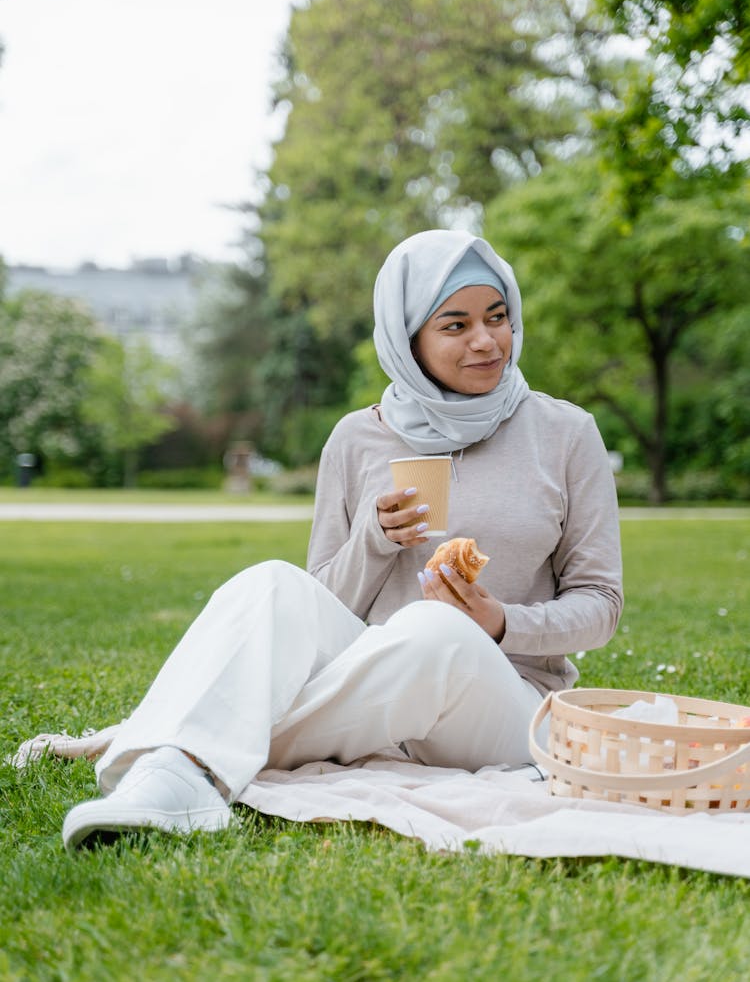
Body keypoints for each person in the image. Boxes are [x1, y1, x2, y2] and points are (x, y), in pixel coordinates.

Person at [62, 228, 623, 851]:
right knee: (270, 581)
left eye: (497, 317)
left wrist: (499, 623)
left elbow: (601, 604)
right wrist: (372, 542)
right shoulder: (358, 439)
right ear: (407, 341)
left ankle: (174, 753)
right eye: (455, 325)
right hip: (373, 692)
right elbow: (319, 606)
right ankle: (181, 773)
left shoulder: (566, 432)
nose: (487, 341)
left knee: (433, 629)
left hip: (512, 704)